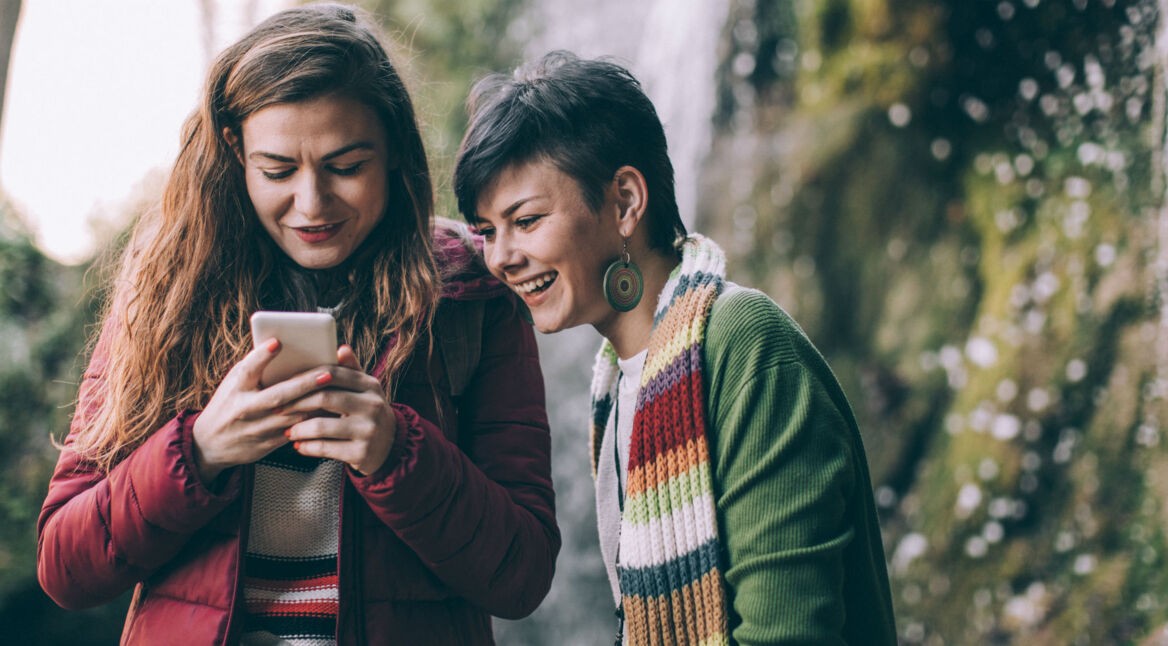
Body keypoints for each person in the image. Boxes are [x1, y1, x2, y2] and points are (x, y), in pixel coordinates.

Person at [36, 5, 559, 644]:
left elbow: (523, 576)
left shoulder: (472, 296)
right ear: (235, 151)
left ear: (394, 149)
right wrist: (198, 452)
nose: (312, 204)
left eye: (346, 167)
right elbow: (65, 565)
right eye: (278, 170)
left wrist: (399, 454)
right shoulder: (167, 293)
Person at [453, 51, 897, 645]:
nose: (501, 256)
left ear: (626, 202)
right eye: (486, 232)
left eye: (526, 220)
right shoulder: (616, 385)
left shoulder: (743, 344)